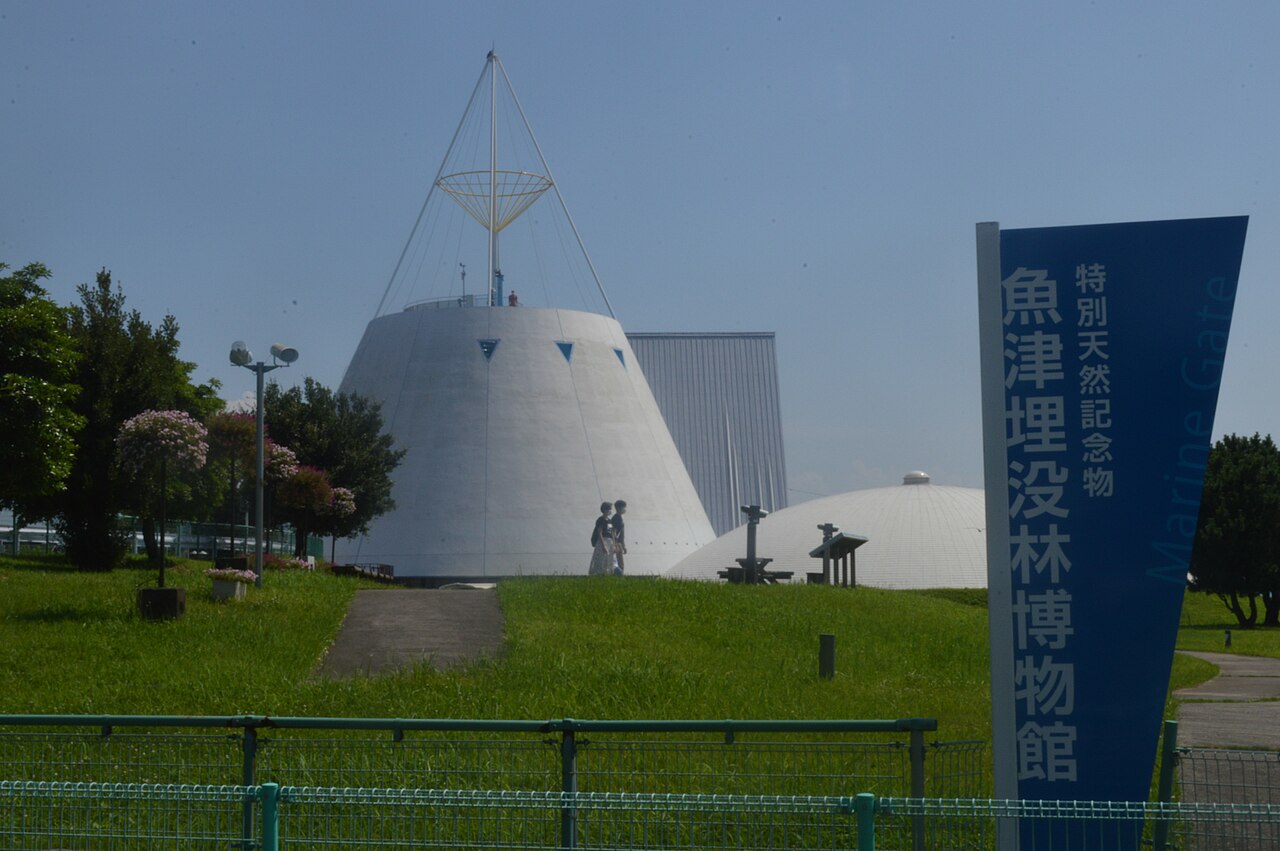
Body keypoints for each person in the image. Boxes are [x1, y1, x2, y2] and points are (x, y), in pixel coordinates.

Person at [588, 501, 615, 575]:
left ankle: (606, 573)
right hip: (602, 541)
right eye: (609, 509)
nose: (610, 511)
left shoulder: (610, 521)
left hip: (609, 542)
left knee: (608, 560)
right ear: (605, 510)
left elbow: (611, 533)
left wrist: (614, 544)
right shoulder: (600, 520)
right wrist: (604, 545)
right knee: (600, 559)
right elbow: (599, 533)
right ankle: (597, 573)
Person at [610, 500, 627, 575]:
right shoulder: (616, 518)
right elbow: (613, 532)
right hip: (616, 543)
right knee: (618, 565)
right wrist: (614, 545)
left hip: (619, 543)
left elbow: (622, 535)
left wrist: (624, 546)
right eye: (623, 507)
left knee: (621, 564)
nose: (624, 509)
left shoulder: (620, 518)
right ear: (618, 508)